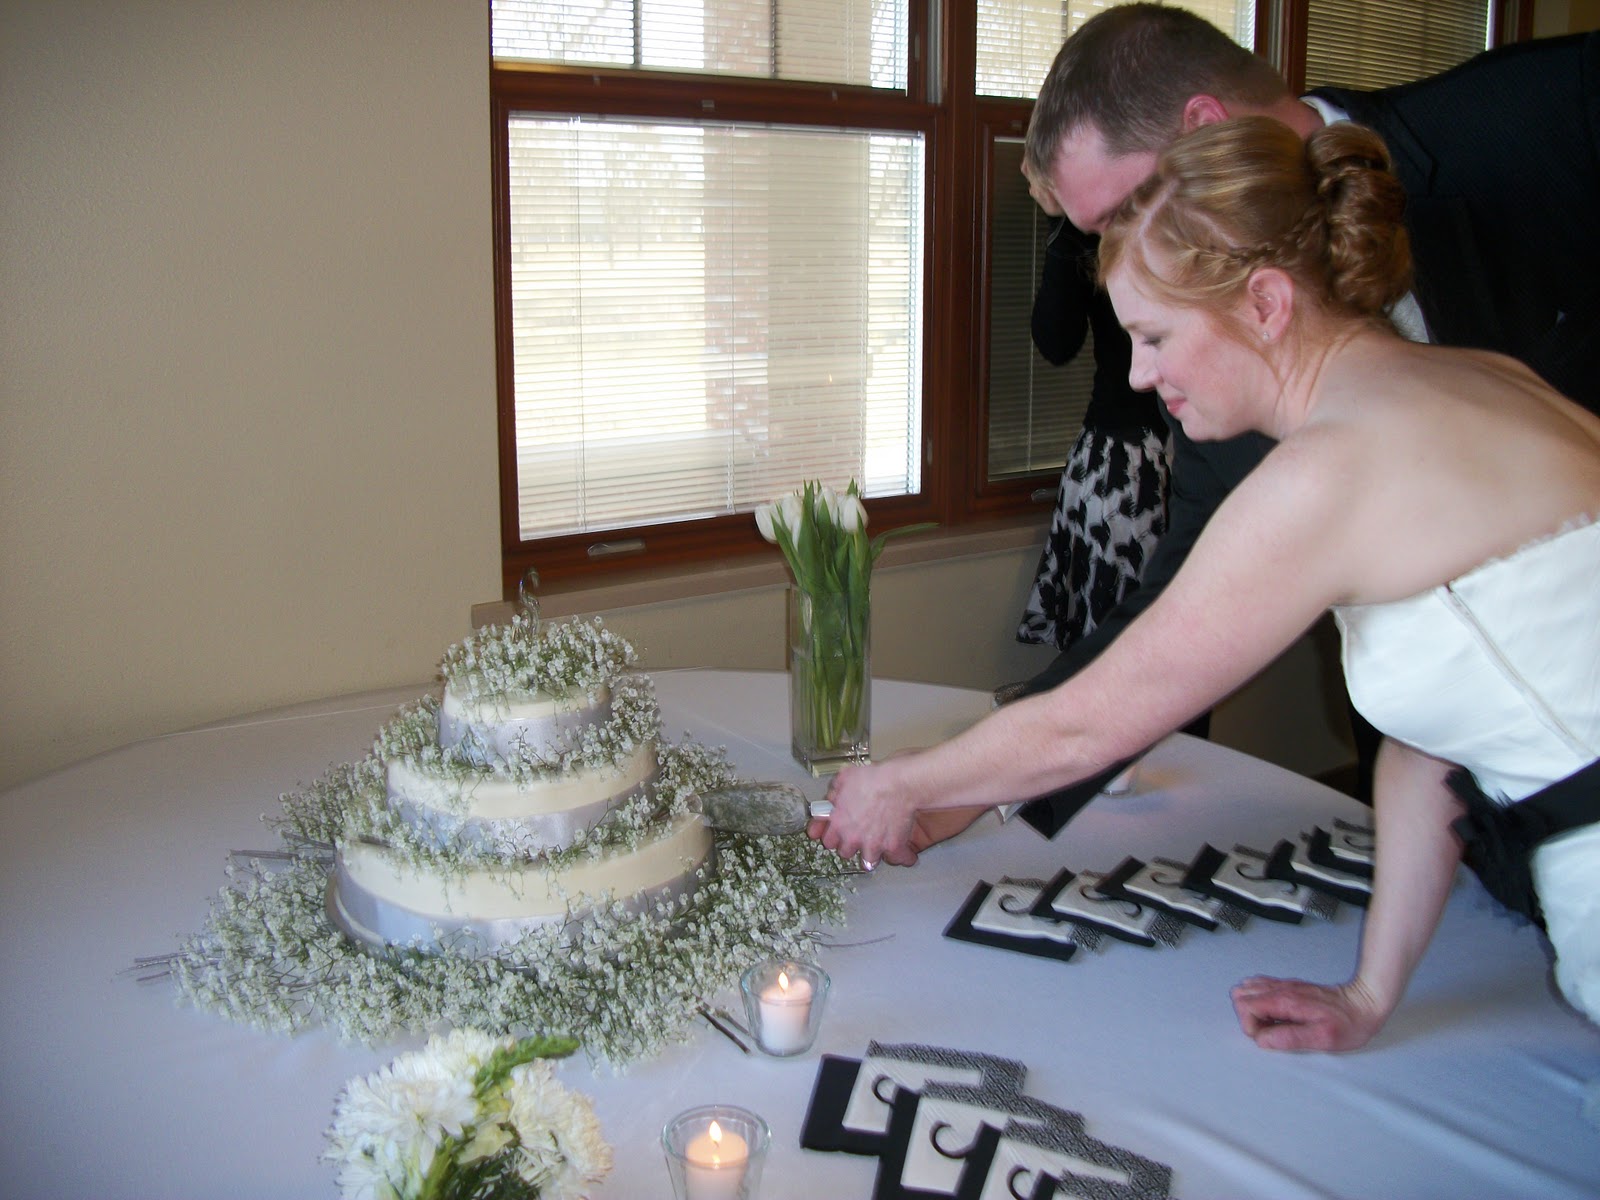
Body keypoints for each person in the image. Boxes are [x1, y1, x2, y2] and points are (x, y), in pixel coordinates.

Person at [814, 115, 1600, 1055]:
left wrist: (900, 786)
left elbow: (1097, 718)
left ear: (1266, 304)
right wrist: (1369, 993)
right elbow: (1432, 747)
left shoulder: (1331, 469)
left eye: (1154, 335)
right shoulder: (1477, 378)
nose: (1141, 376)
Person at [955, 6, 1600, 847]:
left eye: (1125, 211)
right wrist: (983, 782)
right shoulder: (1212, 359)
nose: (1122, 255)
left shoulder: (1551, 111)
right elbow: (1170, 606)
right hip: (1446, 814)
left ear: (1204, 131)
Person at [1012, 209, 1172, 673]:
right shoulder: (1085, 214)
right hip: (1121, 458)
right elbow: (1055, 340)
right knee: (1107, 660)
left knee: (1177, 660)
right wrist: (1063, 225)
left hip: (1182, 459)